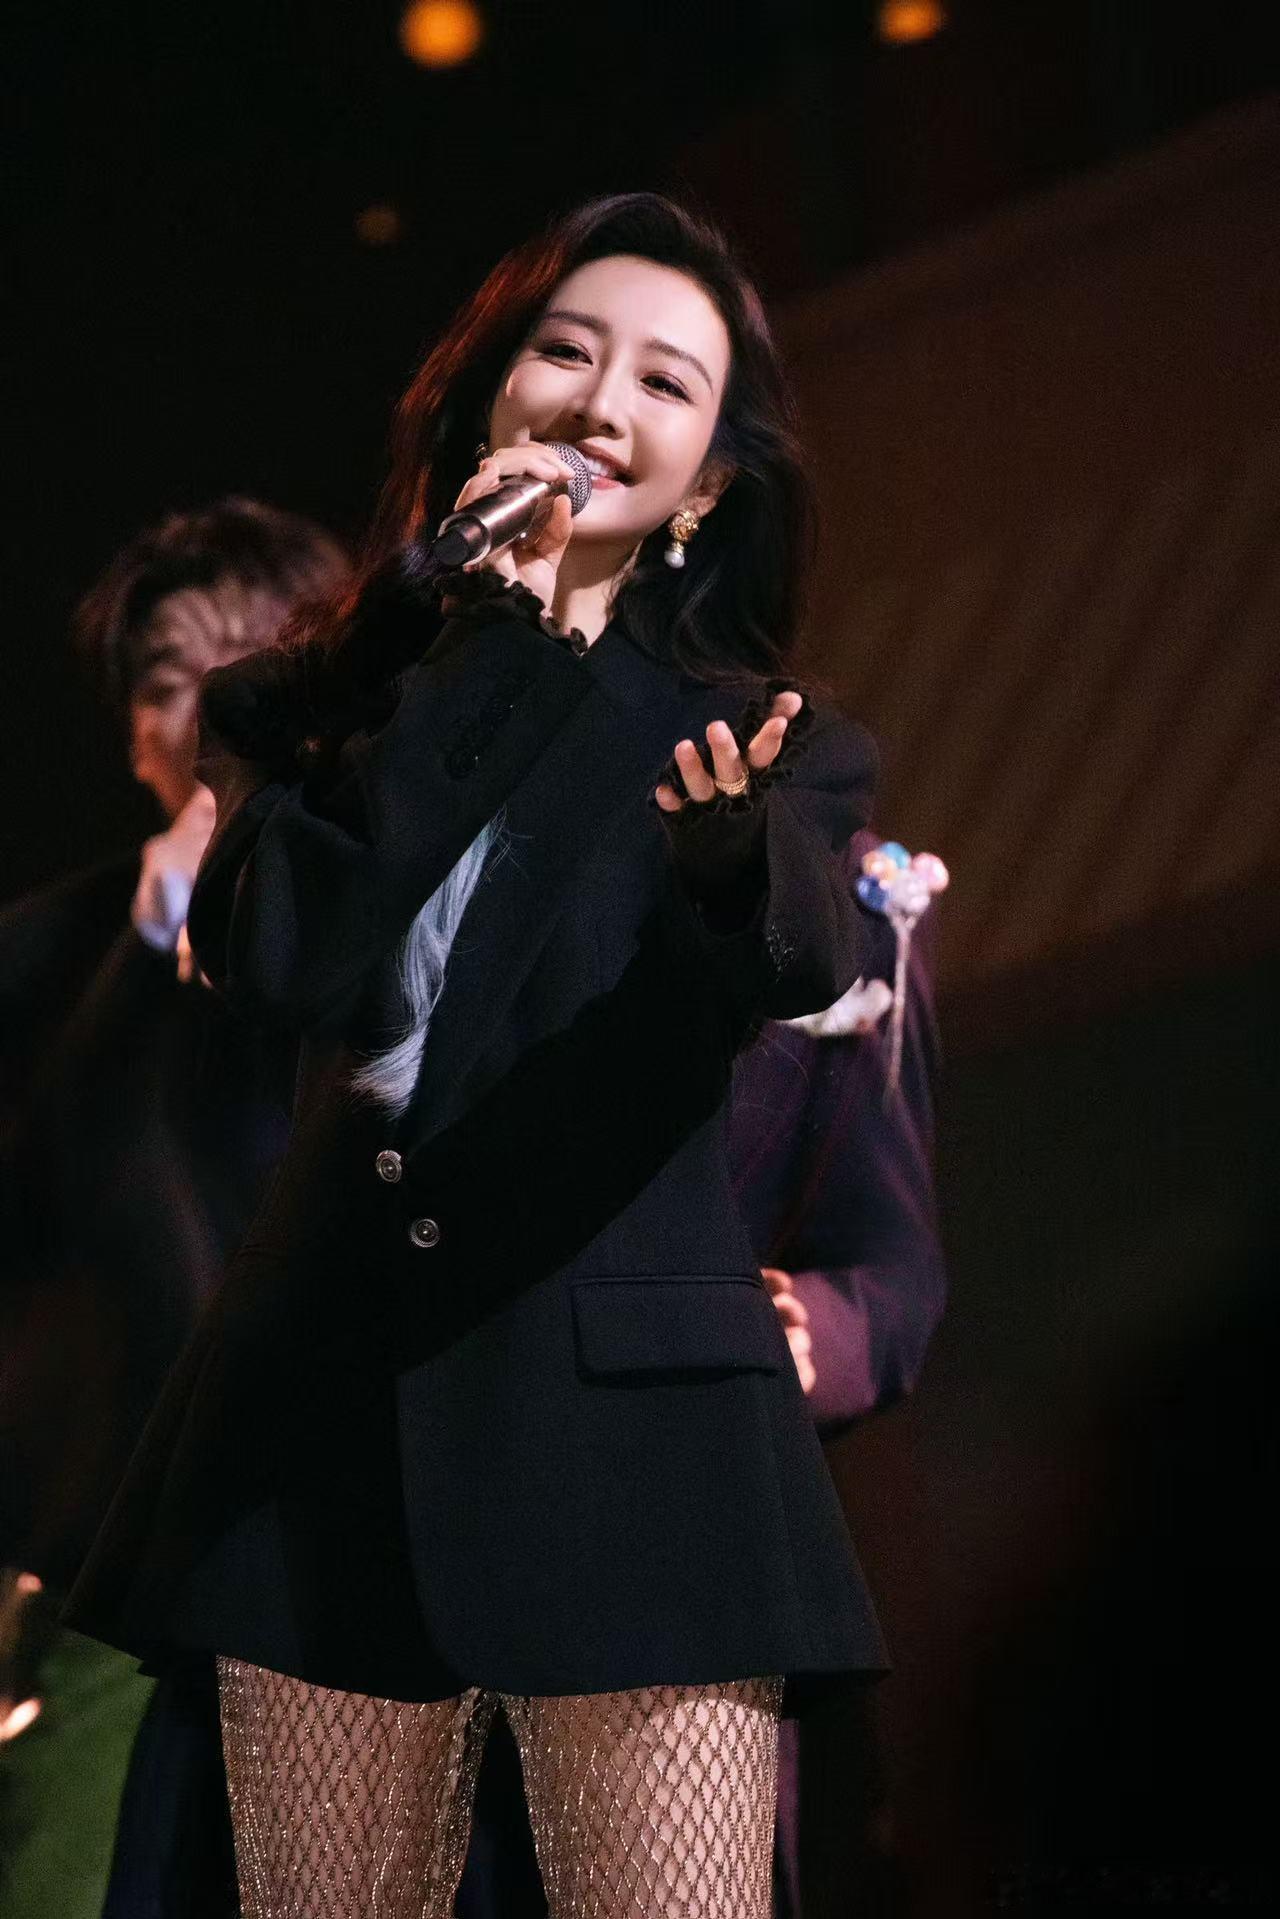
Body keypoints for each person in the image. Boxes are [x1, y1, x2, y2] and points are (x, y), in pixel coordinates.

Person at [66, 193, 899, 1919]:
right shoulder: (306, 706)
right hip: (325, 1431)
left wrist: (730, 859)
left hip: (642, 1451)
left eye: (666, 382)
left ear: (710, 480)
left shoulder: (762, 741)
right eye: (567, 351)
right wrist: (481, 653)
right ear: (485, 401)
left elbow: (795, 949)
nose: (604, 401)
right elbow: (279, 961)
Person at [0, 499, 348, 1919]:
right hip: (115, 1574)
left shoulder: (415, 914)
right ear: (132, 736)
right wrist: (149, 956)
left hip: (360, 1553)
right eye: (168, 681)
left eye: (255, 659)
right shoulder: (45, 959)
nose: (210, 709)